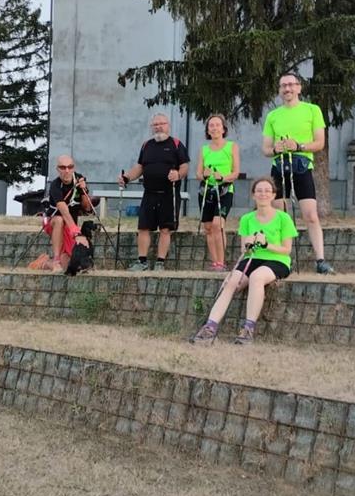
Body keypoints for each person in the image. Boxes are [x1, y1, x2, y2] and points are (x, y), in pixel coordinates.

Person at [190, 177, 297, 346]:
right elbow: (244, 250)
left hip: (277, 260)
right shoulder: (247, 219)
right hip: (252, 258)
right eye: (259, 191)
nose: (263, 194)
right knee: (231, 281)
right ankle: (210, 327)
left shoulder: (283, 218)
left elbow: (286, 249)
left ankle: (248, 329)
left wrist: (266, 244)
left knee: (256, 277)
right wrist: (249, 244)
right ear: (253, 195)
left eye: (267, 191)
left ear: (273, 195)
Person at [261, 72, 335, 274]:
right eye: (283, 85)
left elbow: (319, 143)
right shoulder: (273, 116)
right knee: (280, 216)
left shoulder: (312, 110)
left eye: (291, 85)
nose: (287, 89)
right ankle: (282, 258)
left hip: (302, 166)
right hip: (279, 167)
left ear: (299, 88)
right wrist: (276, 149)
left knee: (310, 215)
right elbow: (265, 149)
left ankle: (320, 260)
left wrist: (298, 146)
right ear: (279, 90)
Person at [118, 113, 190, 271]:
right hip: (149, 193)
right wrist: (127, 177)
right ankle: (142, 261)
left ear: (168, 125)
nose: (159, 127)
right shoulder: (146, 145)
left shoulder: (177, 144)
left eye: (162, 124)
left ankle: (160, 262)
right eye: (155, 124)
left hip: (169, 194)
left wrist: (178, 174)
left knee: (165, 229)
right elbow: (140, 167)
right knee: (143, 227)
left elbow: (185, 166)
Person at [196, 113, 240, 271]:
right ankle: (215, 262)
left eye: (217, 125)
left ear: (223, 129)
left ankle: (221, 262)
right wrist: (204, 175)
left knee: (218, 225)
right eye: (211, 125)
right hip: (206, 191)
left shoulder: (232, 146)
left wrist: (222, 177)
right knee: (208, 227)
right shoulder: (204, 149)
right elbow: (198, 174)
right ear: (208, 130)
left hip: (224, 190)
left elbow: (236, 172)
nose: (214, 128)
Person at [44, 154, 93, 272]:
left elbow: (87, 208)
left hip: (70, 225)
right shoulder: (55, 185)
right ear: (57, 169)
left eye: (70, 167)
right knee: (60, 219)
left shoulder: (79, 179)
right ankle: (55, 260)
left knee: (69, 265)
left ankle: (45, 262)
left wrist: (84, 190)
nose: (67, 170)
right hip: (54, 221)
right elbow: (63, 209)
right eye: (63, 167)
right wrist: (75, 231)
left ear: (73, 168)